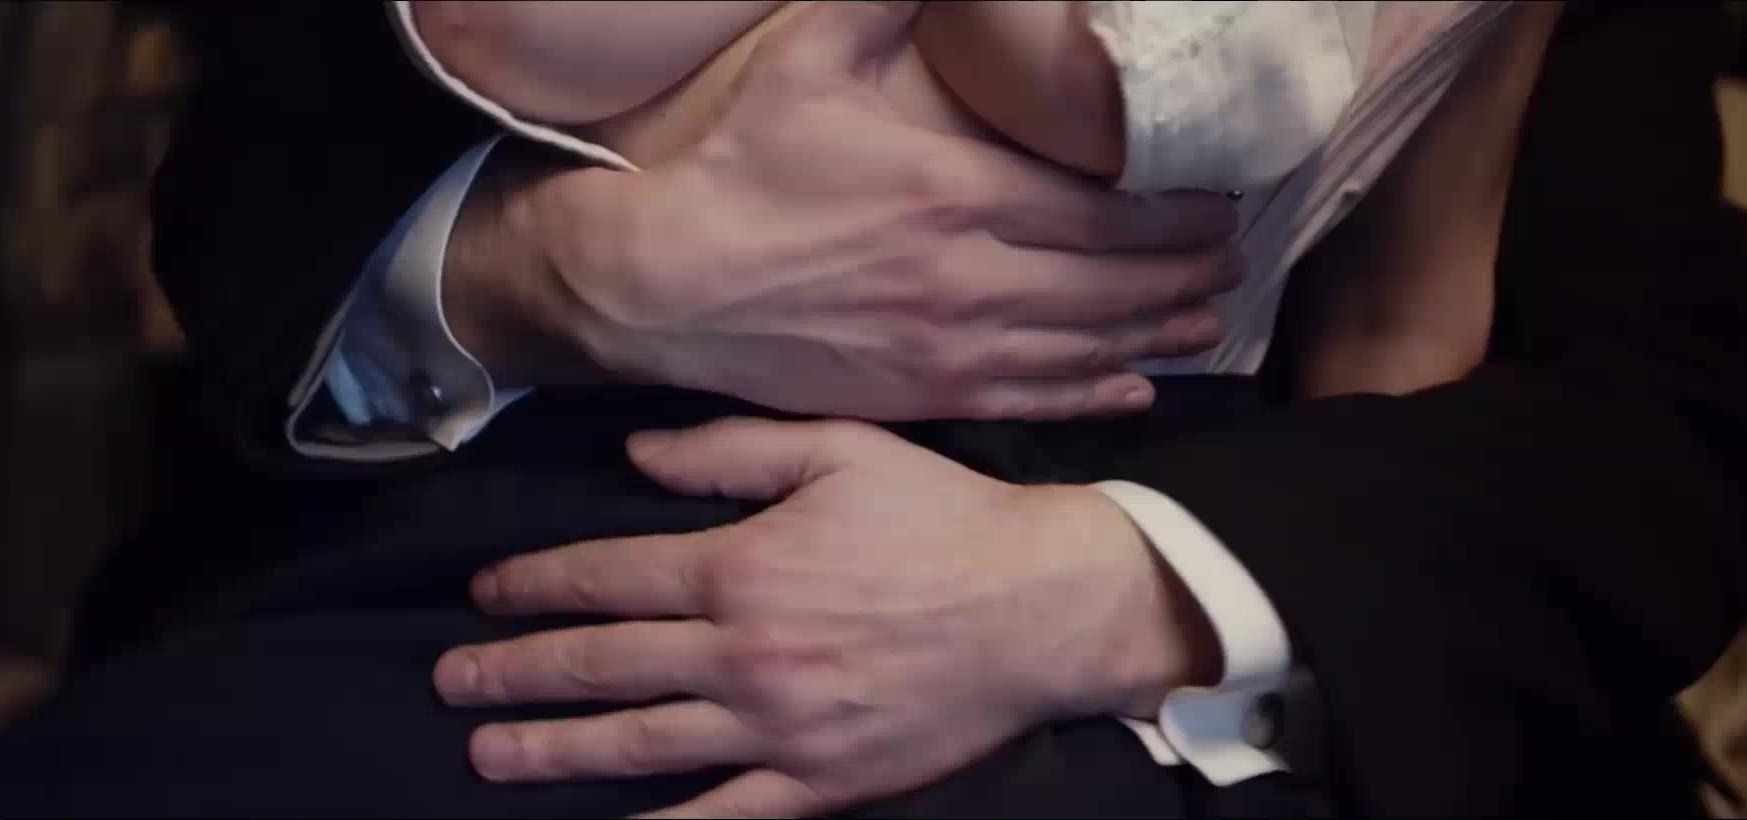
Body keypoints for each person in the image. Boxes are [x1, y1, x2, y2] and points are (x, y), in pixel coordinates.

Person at [1, 2, 1743, 818]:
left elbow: (1622, 423)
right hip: (460, 571)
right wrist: (564, 267)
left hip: (1178, 659)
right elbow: (292, 173)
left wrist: (1102, 591)